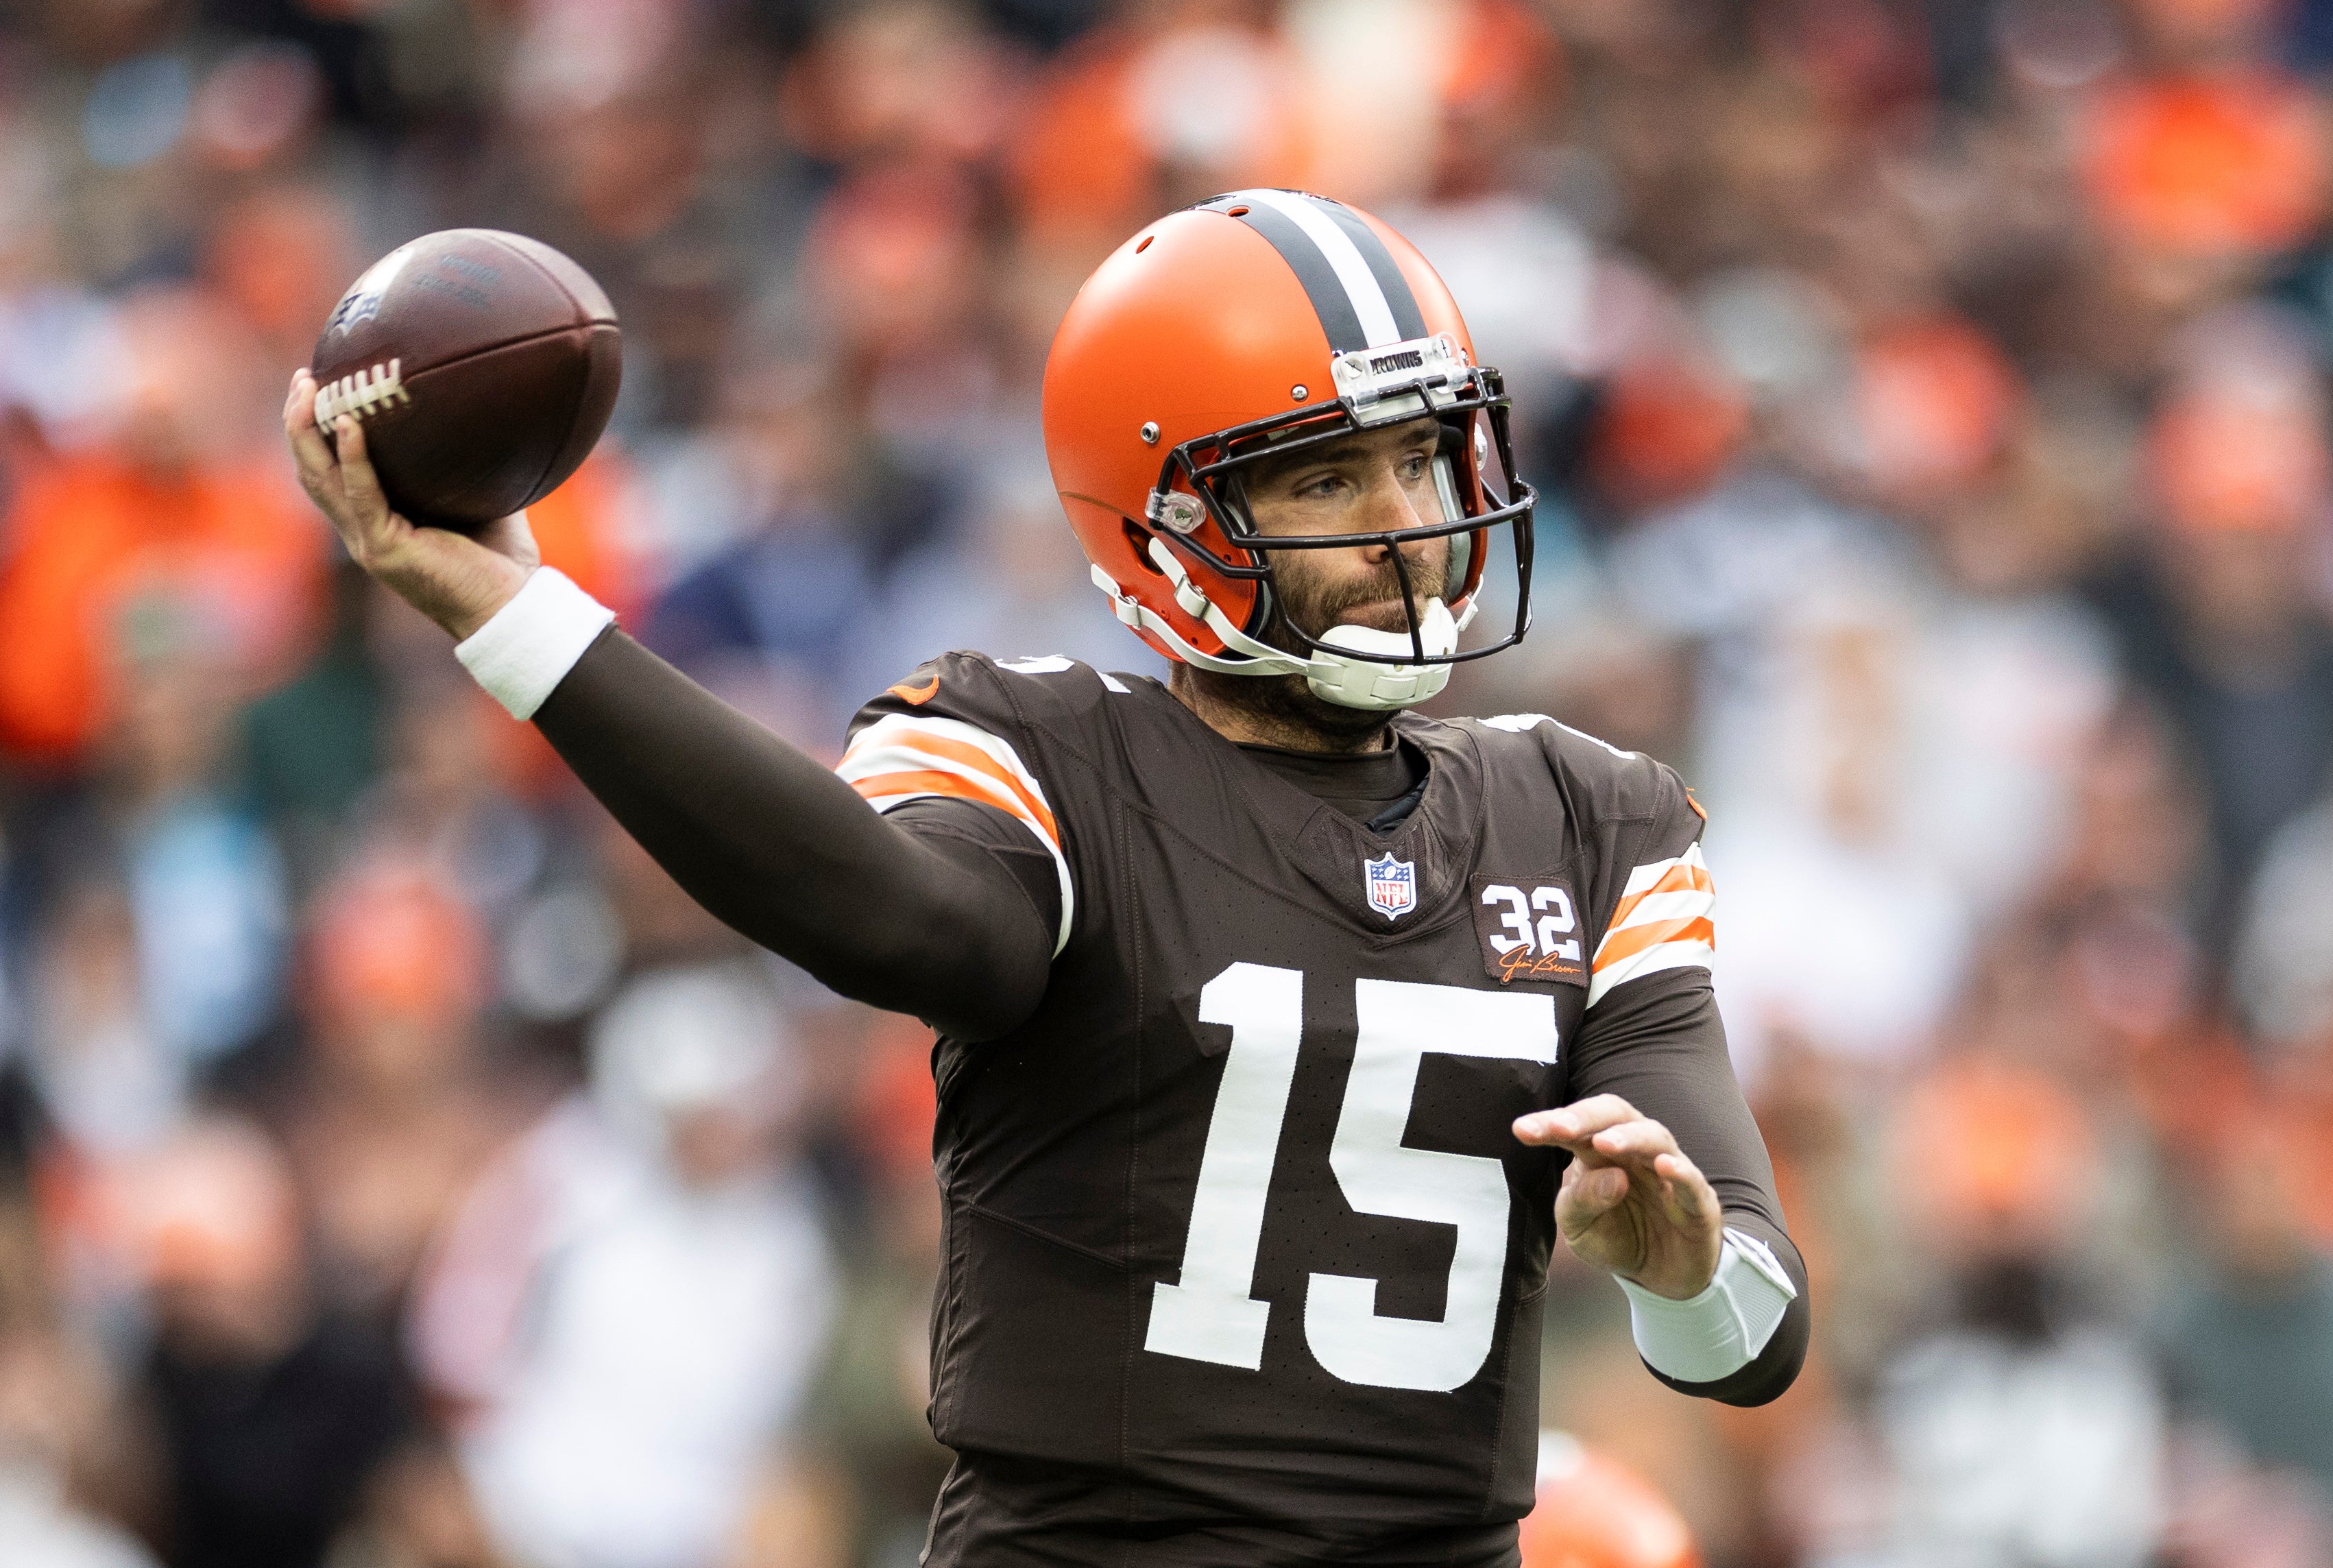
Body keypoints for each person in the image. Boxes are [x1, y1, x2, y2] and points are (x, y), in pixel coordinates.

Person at [284, 189, 1807, 1567]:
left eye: (1419, 456)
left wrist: (1679, 1266)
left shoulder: (1588, 814)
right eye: (1329, 482)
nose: (1409, 527)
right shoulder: (1042, 749)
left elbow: (1756, 1333)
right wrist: (524, 618)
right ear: (1168, 525)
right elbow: (899, 919)